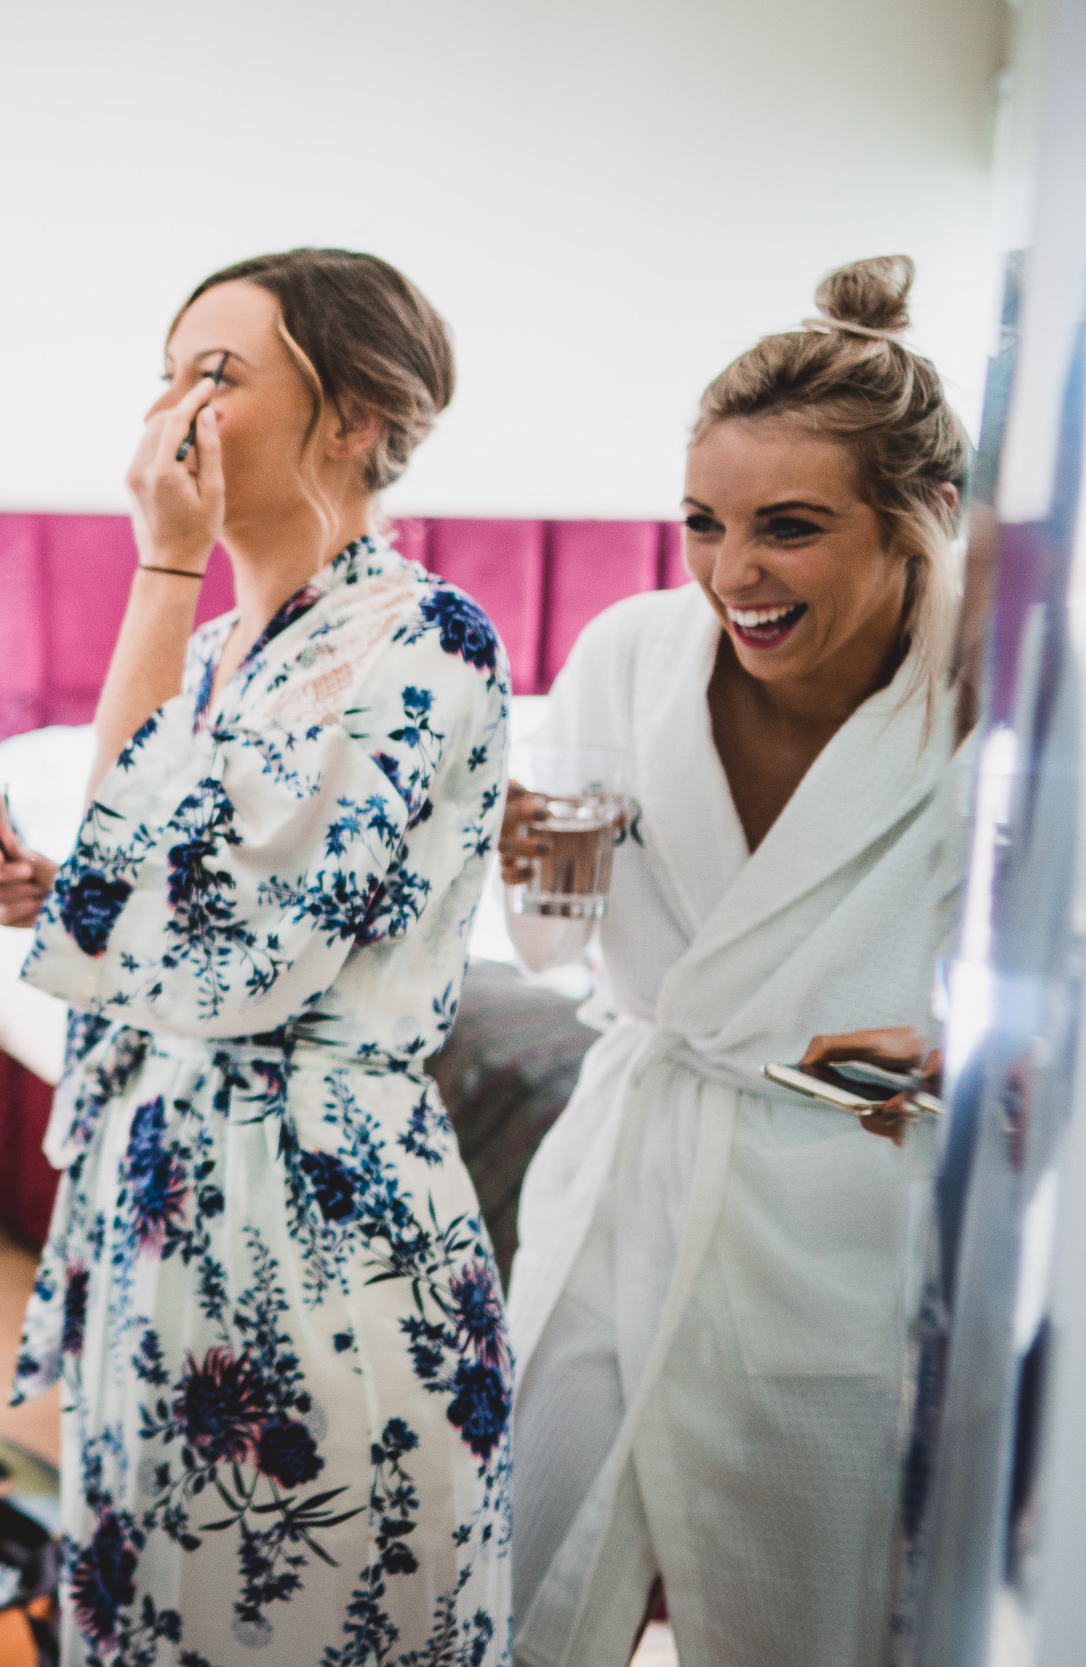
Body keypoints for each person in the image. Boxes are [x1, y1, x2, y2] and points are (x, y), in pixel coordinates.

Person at [0, 250, 513, 1662]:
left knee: (297, 1605)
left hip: (313, 1217)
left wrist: (158, 563)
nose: (175, 409)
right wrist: (66, 889)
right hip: (169, 1200)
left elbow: (221, 942)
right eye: (170, 370)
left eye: (219, 373)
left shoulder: (423, 641)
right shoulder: (216, 650)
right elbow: (138, 863)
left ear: (356, 417)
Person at [502, 255, 970, 1667]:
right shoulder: (633, 652)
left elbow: (1008, 1043)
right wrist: (532, 861)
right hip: (620, 1176)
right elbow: (546, 951)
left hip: (839, 1226)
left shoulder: (985, 719)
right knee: (521, 1568)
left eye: (791, 528)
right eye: (704, 523)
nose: (732, 575)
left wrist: (901, 1072)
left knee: (800, 1615)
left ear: (923, 522)